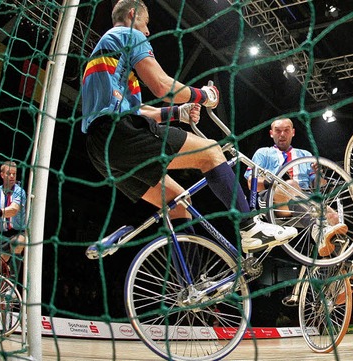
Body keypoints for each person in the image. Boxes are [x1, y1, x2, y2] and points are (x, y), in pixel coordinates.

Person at [80, 0, 296, 253]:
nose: (148, 31)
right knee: (212, 153)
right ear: (132, 14)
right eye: (146, 24)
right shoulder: (129, 36)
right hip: (119, 133)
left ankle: (188, 287)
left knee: (179, 202)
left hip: (101, 150)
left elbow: (138, 112)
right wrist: (203, 95)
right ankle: (250, 228)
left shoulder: (108, 58)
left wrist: (178, 112)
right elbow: (162, 86)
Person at [244, 117, 353, 305]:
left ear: (293, 132)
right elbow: (252, 183)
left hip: (305, 204)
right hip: (274, 204)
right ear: (271, 133)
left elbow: (318, 186)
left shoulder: (305, 154)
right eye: (278, 130)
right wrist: (276, 183)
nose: (282, 134)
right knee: (290, 185)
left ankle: (336, 276)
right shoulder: (263, 153)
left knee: (334, 217)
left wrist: (319, 174)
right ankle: (319, 231)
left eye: (286, 130)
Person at [0, 161, 27, 276]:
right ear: (2, 175)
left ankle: (12, 284)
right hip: (2, 235)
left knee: (17, 243)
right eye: (9, 173)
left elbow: (13, 209)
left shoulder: (19, 191)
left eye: (14, 173)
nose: (12, 176)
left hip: (18, 232)